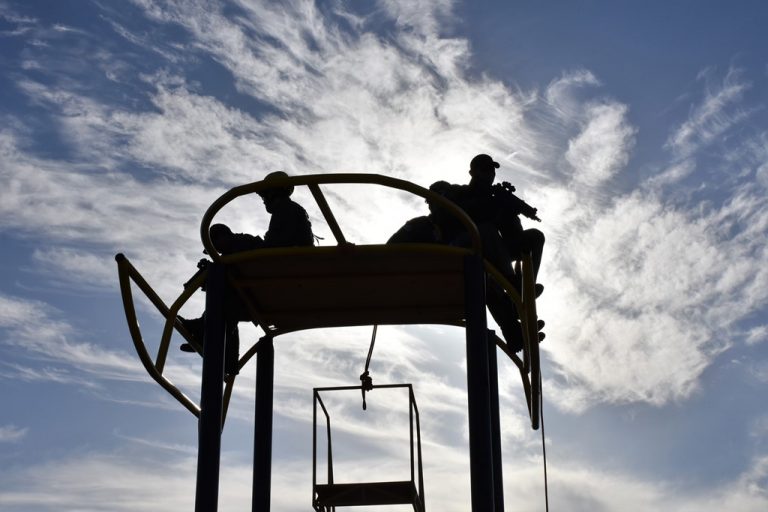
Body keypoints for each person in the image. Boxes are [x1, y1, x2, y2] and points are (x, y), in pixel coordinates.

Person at [179, 171, 314, 373]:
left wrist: (236, 258)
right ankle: (216, 343)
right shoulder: (287, 211)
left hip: (285, 278)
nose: (263, 201)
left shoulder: (285, 210)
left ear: (273, 193)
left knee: (228, 295)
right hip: (284, 276)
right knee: (229, 304)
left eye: (263, 196)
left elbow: (274, 251)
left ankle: (206, 331)